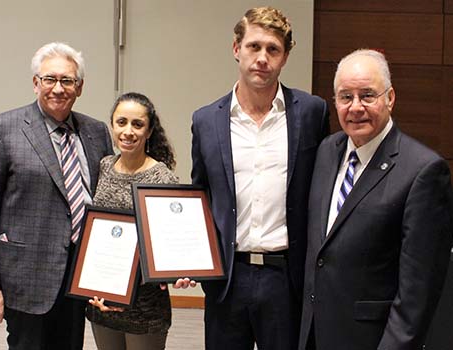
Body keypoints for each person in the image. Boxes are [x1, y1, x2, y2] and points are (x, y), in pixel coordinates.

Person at [190, 7, 330, 350]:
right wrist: (188, 257)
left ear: (285, 57)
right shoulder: (206, 120)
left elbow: (323, 189)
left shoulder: (313, 112)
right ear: (236, 49)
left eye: (273, 49)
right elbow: (200, 196)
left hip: (286, 277)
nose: (262, 58)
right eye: (254, 47)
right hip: (228, 278)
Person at [298, 49, 453, 350]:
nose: (355, 107)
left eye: (367, 95)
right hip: (315, 334)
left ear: (390, 97)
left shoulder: (423, 171)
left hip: (371, 341)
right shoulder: (327, 151)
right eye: (345, 97)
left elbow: (417, 294)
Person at [0, 42, 114, 349]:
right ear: (36, 83)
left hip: (80, 273)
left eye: (67, 80)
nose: (58, 88)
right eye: (50, 79)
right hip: (26, 275)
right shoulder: (2, 129)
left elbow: (106, 202)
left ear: (80, 87)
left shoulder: (95, 132)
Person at [85, 92, 179, 350]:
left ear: (149, 131)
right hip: (101, 303)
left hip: (145, 308)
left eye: (137, 124)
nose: (128, 131)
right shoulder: (103, 167)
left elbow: (168, 246)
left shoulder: (162, 179)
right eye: (121, 122)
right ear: (112, 126)